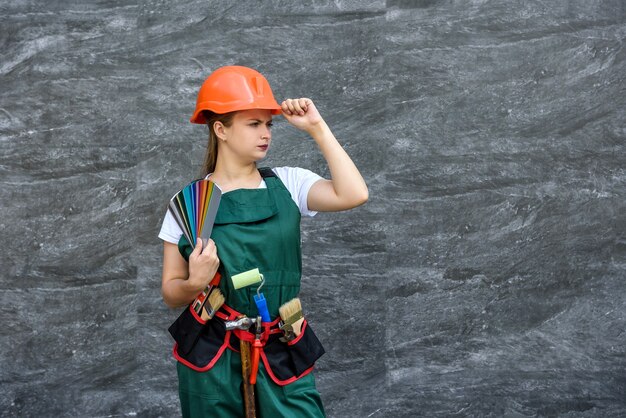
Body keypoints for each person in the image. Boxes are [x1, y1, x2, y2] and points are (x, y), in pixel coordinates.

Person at [158, 65, 368, 417]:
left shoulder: (290, 183)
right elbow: (170, 291)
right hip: (210, 354)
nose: (266, 133)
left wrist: (317, 127)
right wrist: (194, 281)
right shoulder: (189, 204)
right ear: (220, 129)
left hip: (282, 344)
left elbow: (354, 193)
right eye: (253, 123)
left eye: (268, 124)